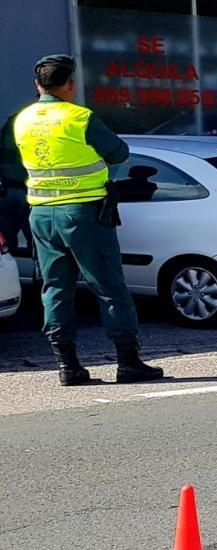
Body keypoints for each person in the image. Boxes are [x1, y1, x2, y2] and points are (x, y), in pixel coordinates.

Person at [13, 54, 163, 386]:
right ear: (70, 85)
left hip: (41, 214)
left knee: (55, 288)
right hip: (83, 213)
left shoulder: (22, 120)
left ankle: (68, 366)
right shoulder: (79, 118)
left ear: (38, 85)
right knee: (108, 285)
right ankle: (128, 363)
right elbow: (119, 153)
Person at [0, 107, 31, 251]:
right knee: (41, 249)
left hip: (6, 189)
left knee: (5, 251)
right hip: (33, 194)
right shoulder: (47, 124)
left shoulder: (13, 121)